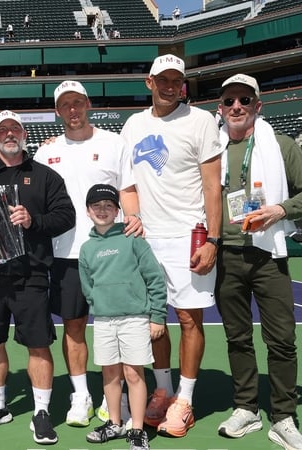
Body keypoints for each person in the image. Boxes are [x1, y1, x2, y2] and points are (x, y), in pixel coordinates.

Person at [119, 54, 222, 438]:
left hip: (188, 235)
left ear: (182, 83)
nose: (169, 86)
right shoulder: (133, 125)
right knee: (153, 323)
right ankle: (162, 391)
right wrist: (134, 220)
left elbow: (213, 185)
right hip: (147, 240)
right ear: (149, 82)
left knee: (189, 319)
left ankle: (185, 399)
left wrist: (213, 238)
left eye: (175, 80)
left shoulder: (200, 120)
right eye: (162, 79)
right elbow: (126, 184)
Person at [0, 110, 74, 444]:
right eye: (2, 130)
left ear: (24, 134)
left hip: (31, 274)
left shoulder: (45, 177)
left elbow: (65, 216)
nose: (9, 134)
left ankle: (41, 411)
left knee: (38, 345)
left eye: (15, 129)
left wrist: (32, 220)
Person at [35, 80, 142, 428]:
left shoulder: (114, 143)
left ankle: (121, 395)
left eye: (77, 102)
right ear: (57, 111)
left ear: (88, 104)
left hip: (113, 252)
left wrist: (135, 218)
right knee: (74, 326)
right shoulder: (44, 151)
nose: (72, 110)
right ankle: (80, 394)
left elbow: (127, 189)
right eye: (65, 104)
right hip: (66, 253)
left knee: (119, 325)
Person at [214, 74, 302, 449]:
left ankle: (282, 414)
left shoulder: (280, 146)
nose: (237, 106)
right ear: (220, 109)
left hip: (269, 255)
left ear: (257, 106)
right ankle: (246, 408)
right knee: (237, 338)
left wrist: (281, 209)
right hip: (227, 257)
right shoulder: (212, 151)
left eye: (244, 100)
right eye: (230, 101)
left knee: (281, 339)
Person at [79, 184, 166, 450]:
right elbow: (88, 287)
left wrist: (157, 316)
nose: (102, 210)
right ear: (88, 211)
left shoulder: (133, 239)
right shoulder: (86, 248)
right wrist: (101, 306)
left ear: (118, 210)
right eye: (97, 206)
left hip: (135, 319)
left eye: (108, 206)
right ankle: (115, 423)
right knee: (110, 373)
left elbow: (155, 279)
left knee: (133, 373)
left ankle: (137, 429)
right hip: (104, 321)